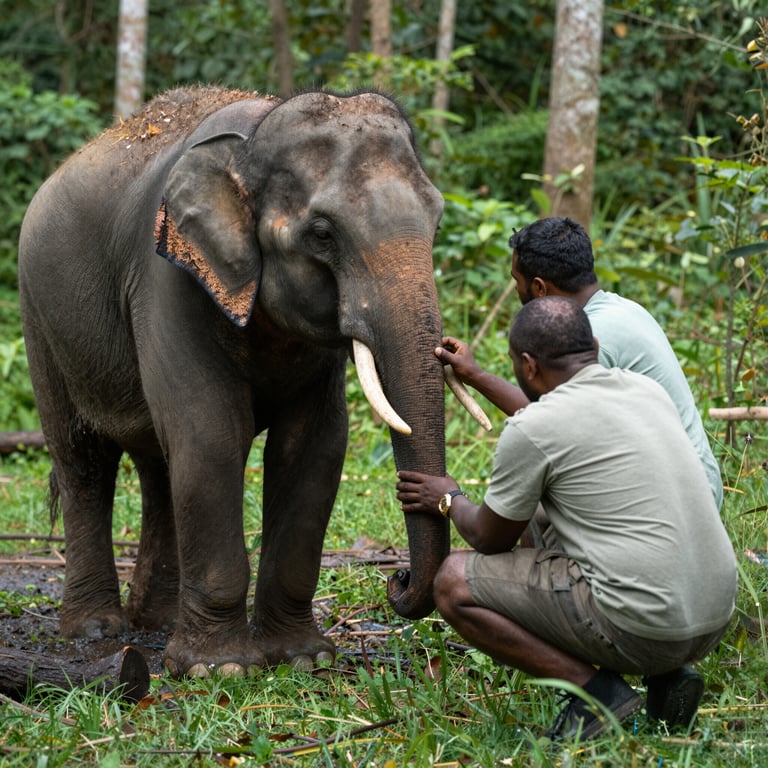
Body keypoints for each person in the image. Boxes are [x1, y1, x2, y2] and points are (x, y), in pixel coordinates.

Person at [396, 296, 736, 741]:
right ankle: (668, 675)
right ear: (592, 345)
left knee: (454, 583)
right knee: (538, 511)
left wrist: (450, 498)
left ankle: (597, 693)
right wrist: (477, 377)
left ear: (529, 366)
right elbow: (561, 427)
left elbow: (487, 537)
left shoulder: (533, 430)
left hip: (644, 626)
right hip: (713, 616)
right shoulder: (643, 390)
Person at [436, 216, 723, 510]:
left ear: (539, 288)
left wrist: (476, 376)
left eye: (516, 281)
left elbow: (549, 422)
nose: (516, 291)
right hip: (691, 483)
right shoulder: (623, 310)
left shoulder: (591, 336)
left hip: (681, 499)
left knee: (536, 484)